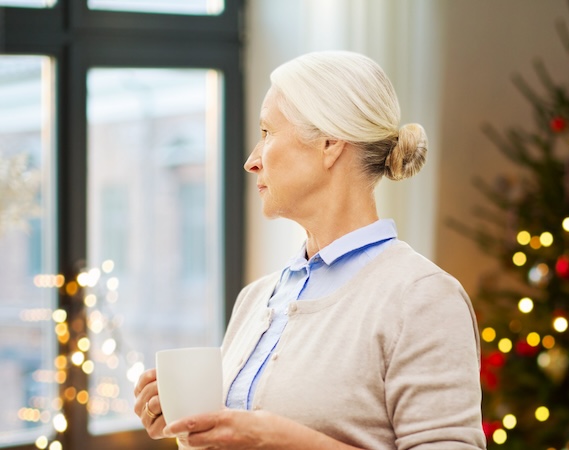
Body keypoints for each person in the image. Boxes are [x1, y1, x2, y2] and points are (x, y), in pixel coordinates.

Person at [133, 50, 486, 449]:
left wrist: (281, 439)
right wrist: (195, 421)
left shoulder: (422, 298)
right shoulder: (256, 300)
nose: (251, 161)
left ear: (330, 143)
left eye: (267, 133)